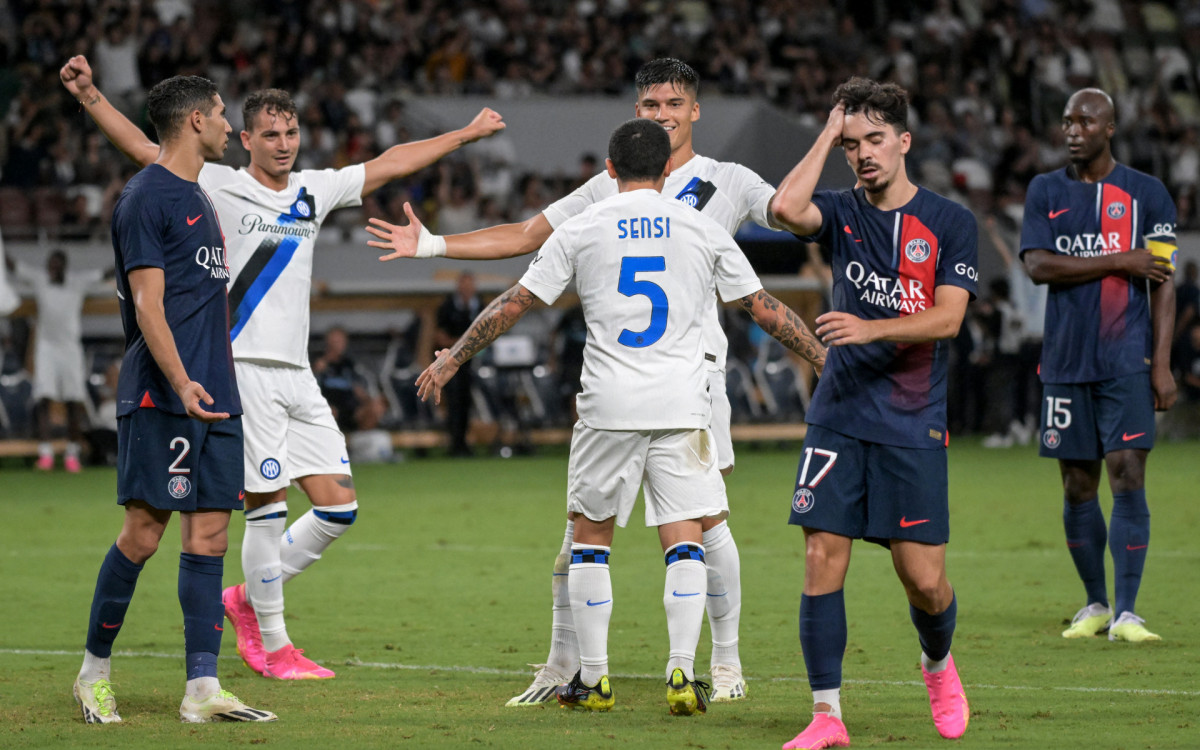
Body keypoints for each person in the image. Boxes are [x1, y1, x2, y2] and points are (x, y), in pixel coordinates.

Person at [60, 54, 505, 680]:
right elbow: (143, 146)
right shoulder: (213, 183)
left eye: (291, 132)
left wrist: (461, 134)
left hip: (297, 373)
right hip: (240, 368)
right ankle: (273, 645)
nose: (283, 144)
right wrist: (91, 97)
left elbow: (389, 162)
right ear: (244, 139)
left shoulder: (313, 191)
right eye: (269, 134)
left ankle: (244, 597)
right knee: (265, 505)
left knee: (339, 507)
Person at [367, 57, 784, 705]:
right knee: (588, 533)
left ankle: (723, 663)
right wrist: (434, 246)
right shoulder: (606, 185)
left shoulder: (727, 181)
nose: (662, 114)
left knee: (703, 525)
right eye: (650, 105)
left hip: (697, 376)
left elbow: (788, 212)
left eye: (673, 103)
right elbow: (526, 234)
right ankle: (566, 665)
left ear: (695, 110)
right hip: (633, 383)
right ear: (637, 111)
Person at [769, 77, 977, 748]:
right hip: (839, 414)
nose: (863, 155)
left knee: (924, 579)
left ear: (904, 142)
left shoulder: (950, 222)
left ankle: (938, 663)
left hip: (912, 421)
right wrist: (827, 133)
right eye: (852, 144)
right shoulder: (839, 209)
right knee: (822, 553)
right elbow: (782, 208)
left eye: (875, 140)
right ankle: (827, 716)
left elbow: (947, 319)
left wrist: (871, 327)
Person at [73, 74, 274, 724]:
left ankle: (201, 688)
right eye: (220, 114)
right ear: (194, 121)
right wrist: (181, 379)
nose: (226, 125)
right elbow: (147, 304)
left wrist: (208, 379)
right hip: (165, 396)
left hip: (218, 392)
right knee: (143, 534)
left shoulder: (199, 196)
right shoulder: (145, 199)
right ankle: (93, 673)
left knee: (210, 537)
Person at [1020, 88, 1177, 643]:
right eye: (1066, 121)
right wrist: (1117, 260)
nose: (1073, 130)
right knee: (1076, 486)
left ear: (1110, 127)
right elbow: (1038, 266)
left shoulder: (1148, 194)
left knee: (1128, 474)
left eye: (1085, 121)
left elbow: (1163, 285)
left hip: (1125, 361)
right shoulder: (1045, 190)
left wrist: (1161, 364)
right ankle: (1095, 602)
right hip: (1064, 363)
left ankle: (1128, 611)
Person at [4, 249, 114, 471]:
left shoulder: (77, 281)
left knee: (73, 400)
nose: (51, 269)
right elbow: (13, 266)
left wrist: (127, 251)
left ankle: (71, 453)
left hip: (70, 349)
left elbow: (104, 274)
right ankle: (45, 453)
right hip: (46, 348)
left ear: (63, 266)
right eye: (49, 265)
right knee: (43, 398)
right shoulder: (39, 278)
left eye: (55, 265)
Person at [434, 271, 482, 456]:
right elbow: (440, 337)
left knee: (468, 403)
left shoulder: (481, 305)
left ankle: (464, 442)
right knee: (453, 402)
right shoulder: (447, 307)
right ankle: (454, 443)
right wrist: (466, 345)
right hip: (451, 363)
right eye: (464, 284)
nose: (467, 288)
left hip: (473, 363)